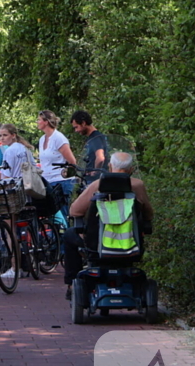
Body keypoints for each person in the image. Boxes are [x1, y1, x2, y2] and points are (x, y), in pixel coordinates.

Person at [62, 152, 154, 299]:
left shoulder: (97, 185)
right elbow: (148, 214)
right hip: (130, 243)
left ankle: (71, 284)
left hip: (97, 243)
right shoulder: (138, 185)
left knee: (69, 235)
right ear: (131, 170)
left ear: (110, 167)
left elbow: (75, 210)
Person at [37, 110, 77, 217]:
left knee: (63, 216)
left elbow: (72, 161)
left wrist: (66, 173)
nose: (37, 122)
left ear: (45, 122)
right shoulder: (42, 139)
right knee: (51, 217)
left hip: (61, 183)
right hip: (48, 182)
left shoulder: (58, 138)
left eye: (39, 120)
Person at [70, 110, 109, 182]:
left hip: (95, 181)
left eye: (76, 127)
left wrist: (95, 171)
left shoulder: (95, 137)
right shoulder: (94, 137)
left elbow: (100, 158)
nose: (76, 130)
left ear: (83, 123)